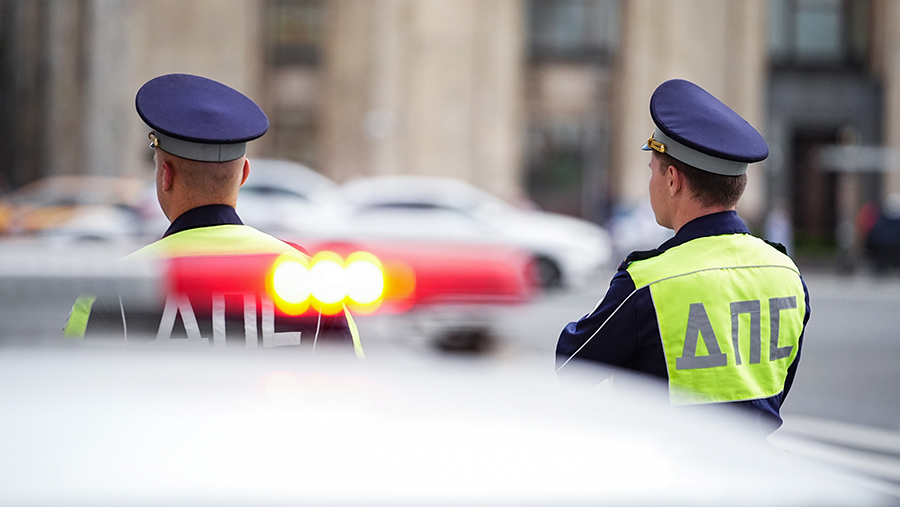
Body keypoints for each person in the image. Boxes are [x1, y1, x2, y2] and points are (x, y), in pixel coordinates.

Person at [556, 79, 809, 434]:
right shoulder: (786, 273)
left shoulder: (648, 281)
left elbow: (570, 363)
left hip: (673, 464)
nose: (651, 184)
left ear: (673, 180)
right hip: (756, 463)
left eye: (652, 172)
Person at [64, 73, 359, 354]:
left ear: (166, 174)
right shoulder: (315, 285)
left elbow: (71, 379)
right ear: (244, 175)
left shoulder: (117, 287)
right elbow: (353, 380)